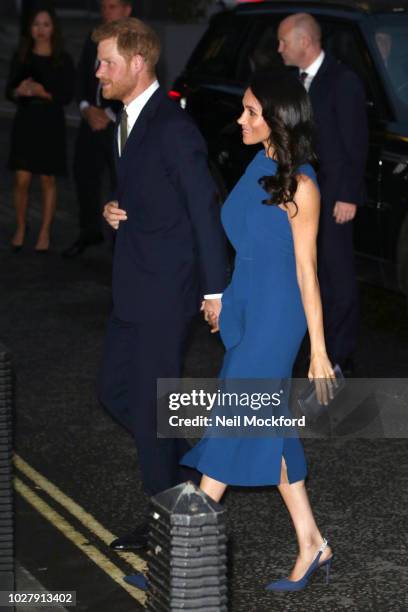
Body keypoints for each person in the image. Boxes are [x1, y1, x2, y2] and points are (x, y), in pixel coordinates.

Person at [181, 71, 335, 592]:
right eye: (244, 110)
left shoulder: (302, 185)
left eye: (251, 112)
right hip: (248, 303)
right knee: (269, 425)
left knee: (234, 417)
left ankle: (183, 546)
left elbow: (306, 272)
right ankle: (312, 541)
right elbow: (246, 238)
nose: (240, 119)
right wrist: (225, 298)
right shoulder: (260, 162)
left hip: (278, 317)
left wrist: (317, 348)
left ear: (278, 119)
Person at [95, 18, 228, 551]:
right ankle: (184, 482)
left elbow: (203, 206)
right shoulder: (128, 119)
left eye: (107, 63)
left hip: (165, 291)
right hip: (134, 284)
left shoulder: (172, 126)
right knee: (114, 391)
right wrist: (113, 209)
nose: (98, 72)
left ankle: (167, 524)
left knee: (152, 411)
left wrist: (215, 290)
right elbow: (146, 194)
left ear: (137, 63)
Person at [277, 13, 368, 372]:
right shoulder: (293, 81)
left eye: (284, 41)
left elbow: (355, 142)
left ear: (305, 42)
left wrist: (347, 195)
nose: (279, 48)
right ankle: (312, 344)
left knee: (336, 273)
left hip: (333, 197)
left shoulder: (342, 81)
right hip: (301, 192)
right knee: (306, 268)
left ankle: (340, 353)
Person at [63, 0, 133, 259]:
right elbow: (82, 75)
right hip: (89, 119)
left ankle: (121, 241)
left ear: (127, 10)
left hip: (117, 123)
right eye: (104, 6)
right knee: (84, 174)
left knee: (120, 181)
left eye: (113, 6)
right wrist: (85, 108)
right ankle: (88, 231)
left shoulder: (134, 43)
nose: (107, 12)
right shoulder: (94, 39)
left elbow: (136, 84)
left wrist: (106, 113)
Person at [6, 4, 75, 252]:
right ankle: (21, 227)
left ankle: (45, 232)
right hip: (26, 121)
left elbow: (67, 95)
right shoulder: (22, 56)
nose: (41, 29)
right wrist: (19, 91)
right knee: (21, 179)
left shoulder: (62, 59)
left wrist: (43, 92)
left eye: (46, 24)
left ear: (53, 27)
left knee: (47, 179)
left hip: (50, 123)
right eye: (36, 24)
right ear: (30, 28)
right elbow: (9, 91)